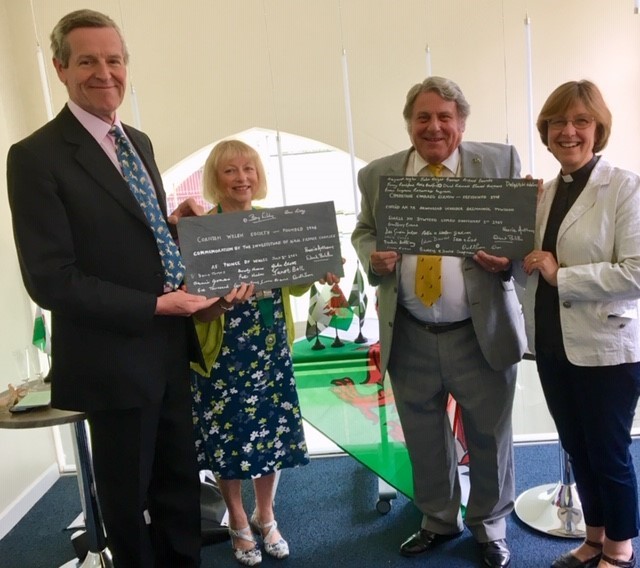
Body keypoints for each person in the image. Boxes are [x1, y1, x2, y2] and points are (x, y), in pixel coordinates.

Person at [5, 9, 229, 567]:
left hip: (170, 351)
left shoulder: (140, 142)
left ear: (127, 66)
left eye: (114, 60)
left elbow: (135, 233)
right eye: (87, 61)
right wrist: (156, 304)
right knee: (129, 505)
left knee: (181, 490)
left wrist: (174, 226)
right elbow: (51, 278)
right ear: (59, 67)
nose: (104, 73)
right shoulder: (35, 157)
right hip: (112, 361)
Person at [351, 76, 527, 568]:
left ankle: (490, 525)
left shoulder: (498, 163)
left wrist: (506, 259)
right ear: (409, 123)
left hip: (478, 331)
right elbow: (363, 231)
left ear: (462, 123)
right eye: (422, 117)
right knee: (424, 433)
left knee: (490, 436)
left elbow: (522, 235)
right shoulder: (377, 175)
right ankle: (437, 518)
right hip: (408, 331)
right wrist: (373, 257)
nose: (434, 127)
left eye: (444, 117)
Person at [189, 139, 340, 566]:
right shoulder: (203, 230)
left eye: (249, 169)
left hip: (269, 346)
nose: (242, 178)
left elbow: (291, 283)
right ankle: (238, 519)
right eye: (231, 171)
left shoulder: (275, 223)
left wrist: (319, 270)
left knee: (271, 433)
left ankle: (265, 513)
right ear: (216, 181)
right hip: (222, 350)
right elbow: (193, 303)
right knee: (228, 436)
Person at [522, 80, 640, 568]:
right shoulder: (545, 194)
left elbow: (635, 272)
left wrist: (561, 274)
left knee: (608, 453)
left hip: (606, 347)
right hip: (551, 343)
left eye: (580, 122)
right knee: (576, 447)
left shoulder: (625, 187)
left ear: (598, 129)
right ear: (545, 132)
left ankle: (620, 548)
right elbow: (529, 261)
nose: (567, 132)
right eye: (556, 123)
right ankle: (593, 539)